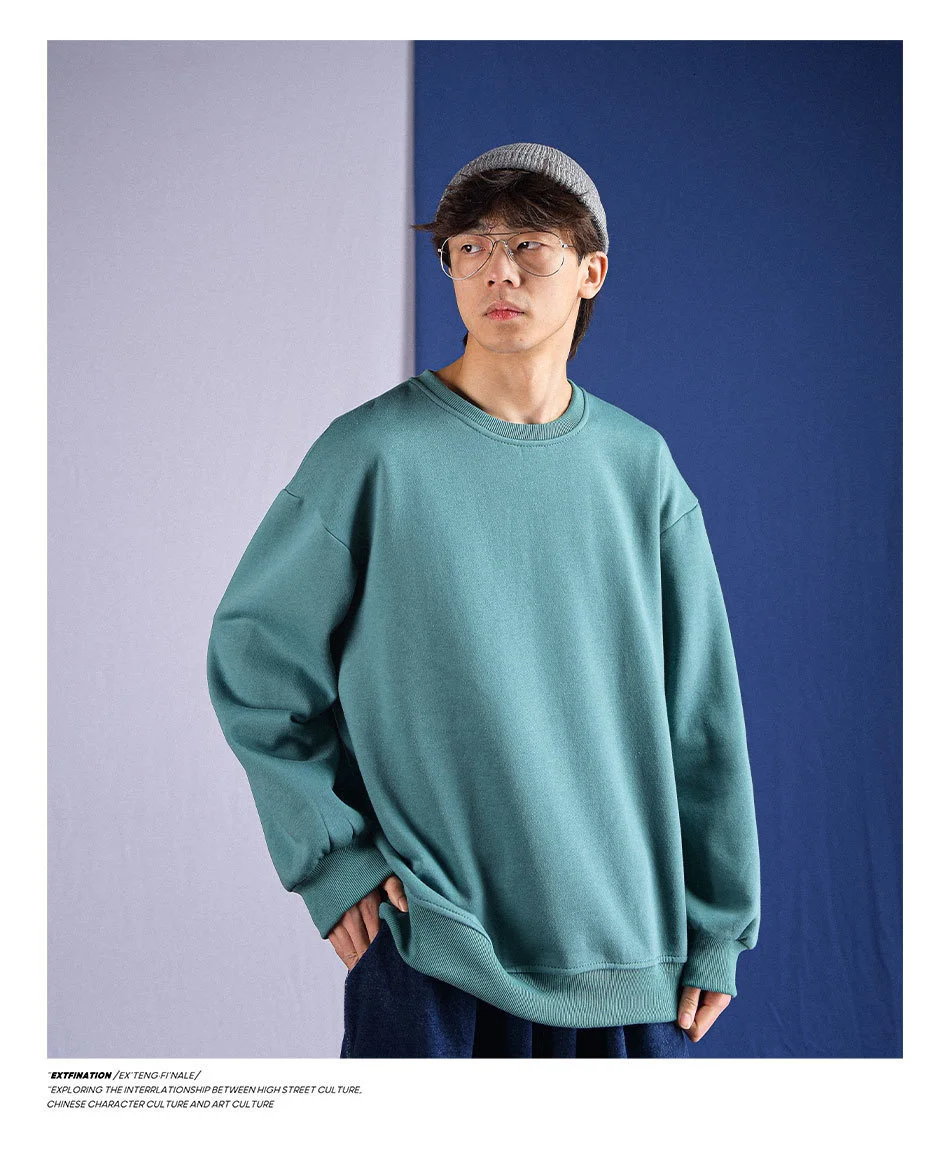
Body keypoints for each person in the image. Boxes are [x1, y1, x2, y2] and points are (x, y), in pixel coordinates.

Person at [206, 142, 761, 1059]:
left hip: (631, 957)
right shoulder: (372, 455)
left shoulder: (640, 470)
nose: (498, 270)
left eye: (531, 245)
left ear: (591, 271)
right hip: (435, 947)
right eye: (471, 247)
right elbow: (256, 662)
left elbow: (701, 719)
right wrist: (333, 859)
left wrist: (719, 928)